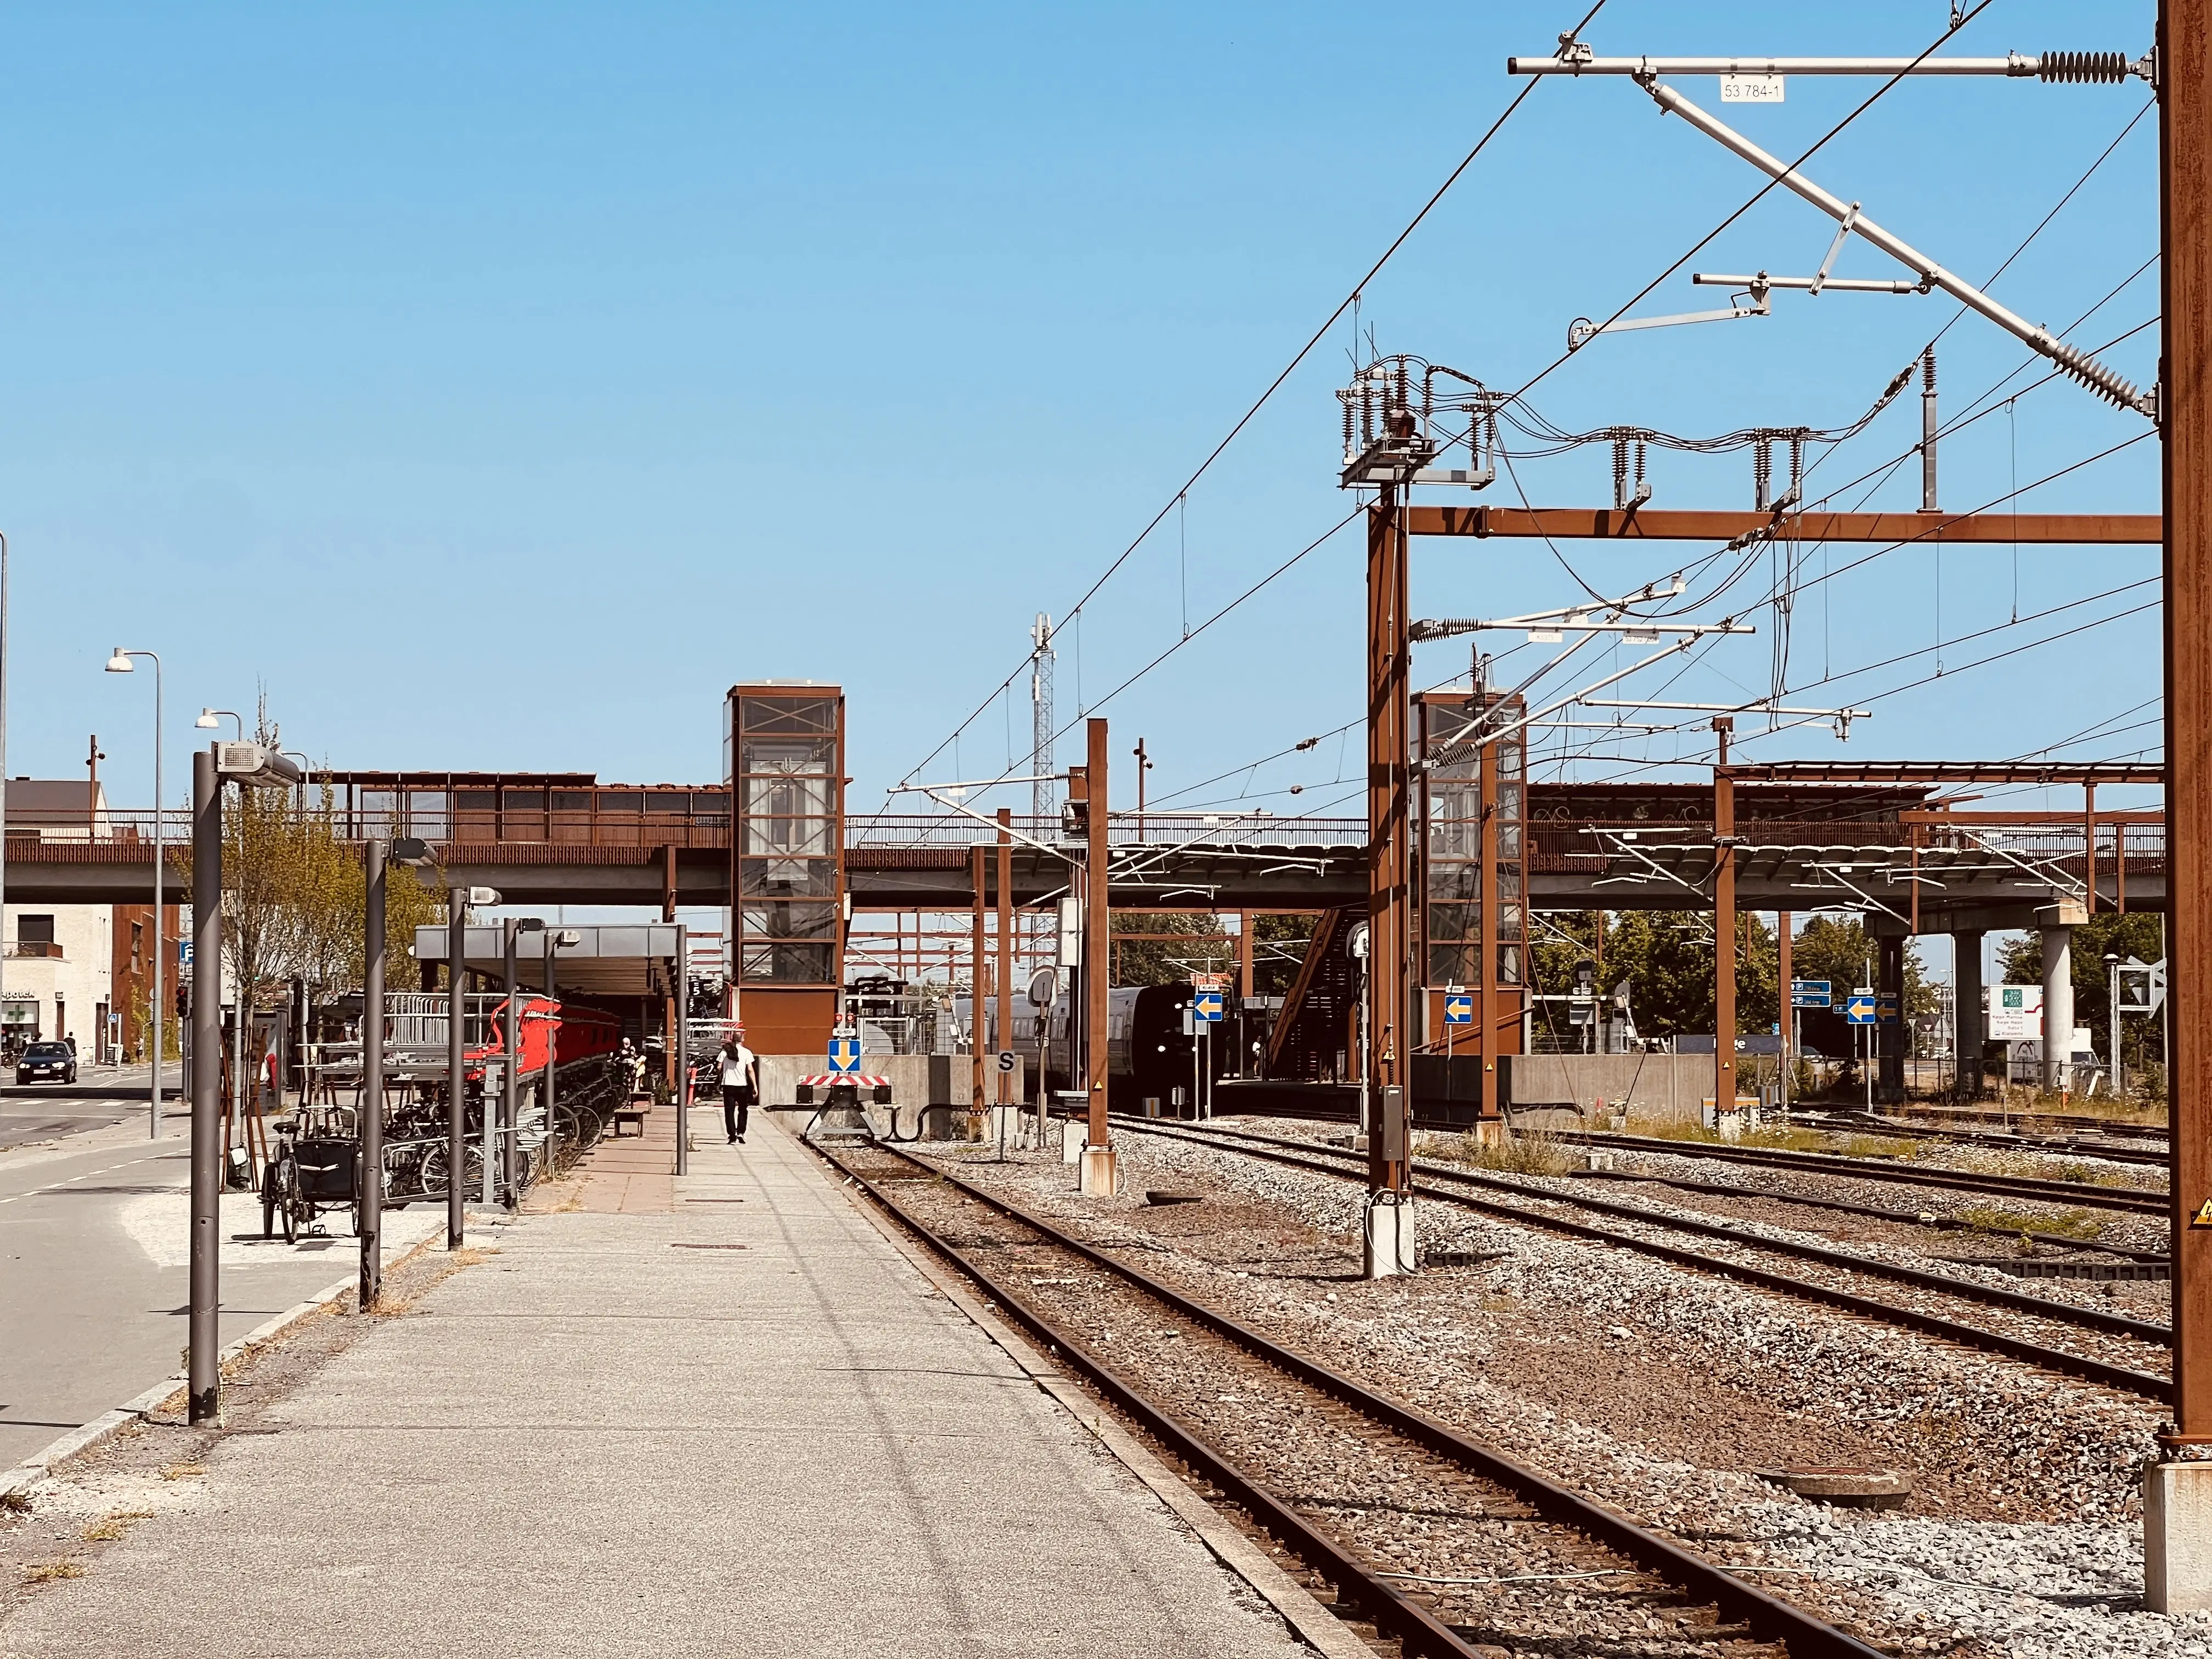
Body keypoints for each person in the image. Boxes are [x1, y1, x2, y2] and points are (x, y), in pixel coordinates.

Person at [719, 1032, 758, 1144]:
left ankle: (732, 1136)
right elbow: (750, 1070)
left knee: (729, 1111)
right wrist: (755, 1086)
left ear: (732, 1039)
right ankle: (741, 1132)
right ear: (742, 1039)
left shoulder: (725, 1051)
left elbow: (718, 1066)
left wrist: (721, 1074)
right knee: (743, 1109)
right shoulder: (747, 1052)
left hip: (728, 1085)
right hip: (742, 1086)